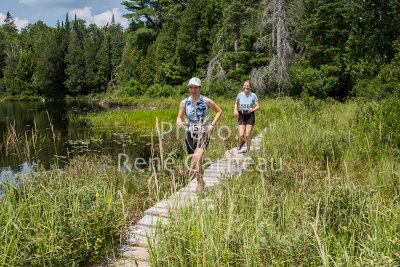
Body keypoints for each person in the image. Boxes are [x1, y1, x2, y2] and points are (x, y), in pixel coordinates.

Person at [177, 77, 222, 191]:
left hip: (204, 132)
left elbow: (219, 111)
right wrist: (179, 121)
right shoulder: (184, 102)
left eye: (196, 87)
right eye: (191, 87)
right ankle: (200, 182)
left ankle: (196, 180)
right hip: (190, 133)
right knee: (197, 160)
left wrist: (212, 125)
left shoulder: (206, 101)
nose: (193, 90)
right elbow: (179, 116)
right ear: (188, 88)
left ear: (199, 88)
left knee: (196, 159)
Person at [233, 80, 260, 153]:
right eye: (245, 85)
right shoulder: (239, 94)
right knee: (241, 134)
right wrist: (235, 110)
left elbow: (258, 106)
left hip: (250, 115)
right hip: (241, 115)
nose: (246, 87)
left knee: (247, 134)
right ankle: (244, 141)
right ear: (243, 86)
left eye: (248, 86)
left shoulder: (253, 95)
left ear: (250, 87)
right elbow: (236, 103)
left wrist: (253, 109)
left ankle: (248, 150)